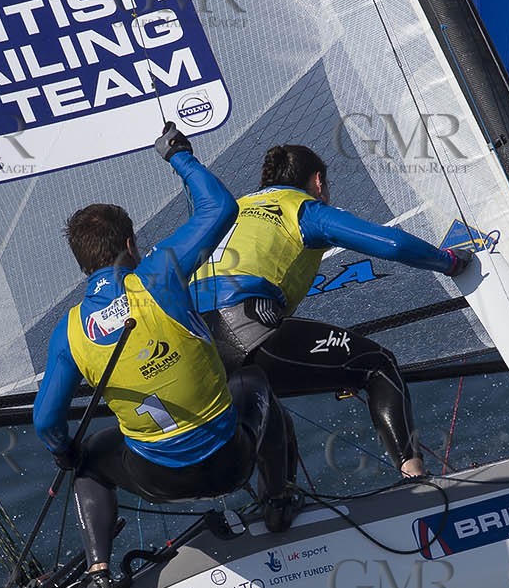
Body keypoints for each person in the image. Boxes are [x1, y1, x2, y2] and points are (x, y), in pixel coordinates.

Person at [34, 123, 299, 588]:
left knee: (89, 460)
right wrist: (179, 155)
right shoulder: (160, 272)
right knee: (255, 378)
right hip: (228, 459)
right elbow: (219, 208)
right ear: (131, 245)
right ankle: (278, 502)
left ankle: (98, 575)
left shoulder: (69, 333)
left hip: (157, 478)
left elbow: (45, 423)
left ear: (81, 266)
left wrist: (66, 454)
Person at [191, 143, 472, 483]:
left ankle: (278, 507)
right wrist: (450, 262)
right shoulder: (303, 210)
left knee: (267, 405)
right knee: (377, 365)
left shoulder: (232, 210)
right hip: (248, 326)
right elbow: (393, 243)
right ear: (318, 182)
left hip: (196, 345)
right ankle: (415, 476)